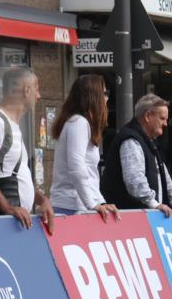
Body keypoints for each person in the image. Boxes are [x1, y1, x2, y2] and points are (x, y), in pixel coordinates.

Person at [0, 67, 54, 232]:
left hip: (14, 223)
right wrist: (8, 208)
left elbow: (13, 173)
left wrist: (41, 200)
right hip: (0, 223)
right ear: (26, 91)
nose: (38, 96)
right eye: (37, 89)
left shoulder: (12, 126)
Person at [102, 94, 172, 217]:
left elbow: (162, 173)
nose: (166, 124)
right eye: (162, 118)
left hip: (142, 216)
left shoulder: (148, 141)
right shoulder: (131, 140)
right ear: (147, 116)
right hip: (128, 219)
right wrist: (154, 204)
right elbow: (134, 180)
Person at [49, 74, 120, 221]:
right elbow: (77, 167)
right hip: (72, 206)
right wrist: (92, 203)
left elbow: (89, 174)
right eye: (105, 94)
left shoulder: (77, 123)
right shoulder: (79, 123)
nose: (107, 99)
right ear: (93, 97)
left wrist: (100, 202)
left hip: (77, 204)